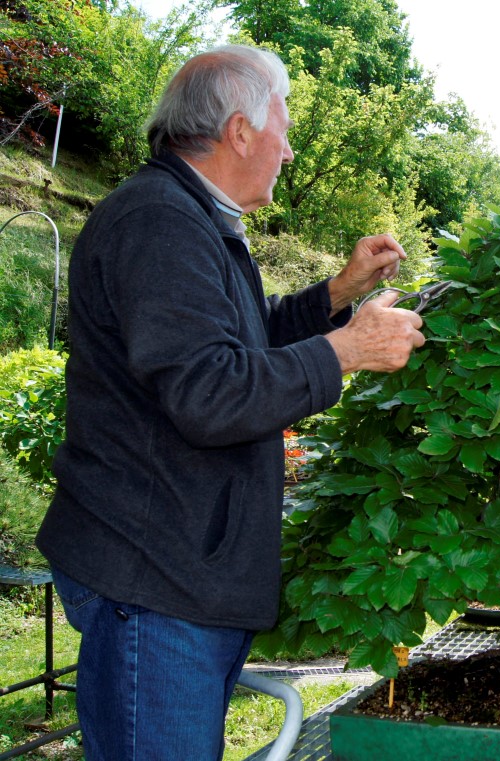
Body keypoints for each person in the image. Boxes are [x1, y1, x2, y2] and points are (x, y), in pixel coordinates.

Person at [36, 44, 425, 760]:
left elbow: (237, 342)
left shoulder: (188, 218)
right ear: (240, 131)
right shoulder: (158, 223)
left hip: (178, 576)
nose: (288, 149)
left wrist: (336, 295)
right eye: (282, 126)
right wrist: (346, 350)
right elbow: (210, 391)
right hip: (154, 581)